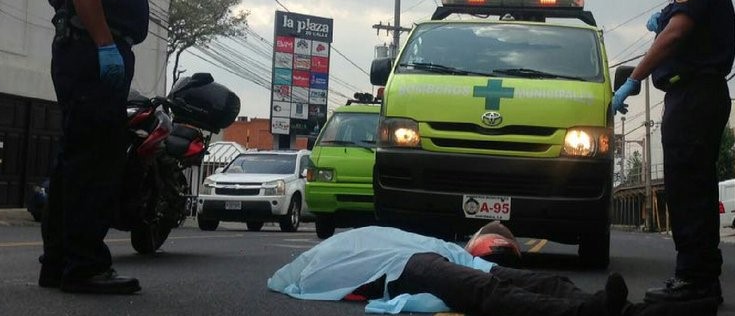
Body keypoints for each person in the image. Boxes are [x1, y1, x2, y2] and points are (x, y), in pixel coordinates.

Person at [40, 0, 151, 294]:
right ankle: (85, 265)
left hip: (90, 52)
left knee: (75, 162)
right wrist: (106, 46)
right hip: (91, 53)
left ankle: (62, 262)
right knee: (94, 164)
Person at [611, 0, 734, 305]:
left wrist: (633, 79)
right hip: (693, 95)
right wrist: (664, 16)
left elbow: (676, 34)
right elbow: (675, 22)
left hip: (696, 96)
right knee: (688, 187)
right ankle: (696, 278)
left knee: (690, 189)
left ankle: (695, 282)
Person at [268, 224, 717, 315]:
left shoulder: (450, 247)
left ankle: (617, 310)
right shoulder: (321, 258)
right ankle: (585, 313)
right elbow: (301, 281)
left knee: (538, 280)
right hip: (407, 267)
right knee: (486, 292)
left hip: (429, 257)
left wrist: (471, 254)